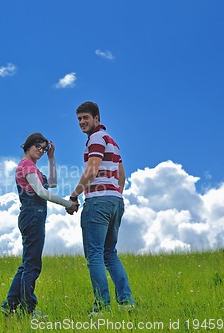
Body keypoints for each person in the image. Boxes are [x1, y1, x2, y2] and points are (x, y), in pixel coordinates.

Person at [68, 101, 135, 316]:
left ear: (97, 118)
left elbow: (93, 169)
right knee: (110, 254)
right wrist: (115, 195)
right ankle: (127, 303)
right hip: (115, 201)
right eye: (79, 119)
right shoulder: (112, 141)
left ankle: (102, 308)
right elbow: (122, 175)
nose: (82, 122)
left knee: (95, 255)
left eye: (85, 117)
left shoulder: (96, 139)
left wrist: (74, 194)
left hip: (98, 202)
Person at [1, 132, 78, 317]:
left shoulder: (34, 168)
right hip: (32, 214)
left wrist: (52, 159)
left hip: (34, 216)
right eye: (38, 146)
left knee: (27, 263)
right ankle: (29, 310)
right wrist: (68, 204)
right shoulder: (26, 165)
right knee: (33, 265)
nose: (41, 150)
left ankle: (9, 305)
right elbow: (42, 193)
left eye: (43, 148)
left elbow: (52, 183)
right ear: (28, 146)